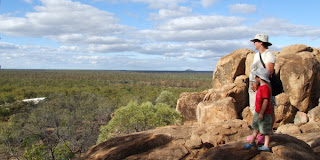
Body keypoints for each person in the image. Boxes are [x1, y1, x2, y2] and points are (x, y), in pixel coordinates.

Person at [248, 33, 276, 132]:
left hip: (263, 85)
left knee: (267, 108)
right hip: (255, 84)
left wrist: (258, 82)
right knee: (256, 108)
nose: (254, 43)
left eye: (255, 41)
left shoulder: (269, 55)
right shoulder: (257, 55)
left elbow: (269, 71)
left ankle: (266, 132)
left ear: (261, 42)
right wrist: (253, 82)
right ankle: (260, 132)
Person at [243, 68, 272, 151]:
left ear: (260, 77)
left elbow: (265, 101)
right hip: (258, 111)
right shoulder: (261, 87)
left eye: (256, 76)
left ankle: (266, 145)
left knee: (265, 130)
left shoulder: (265, 88)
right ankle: (252, 142)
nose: (255, 77)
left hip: (264, 113)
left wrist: (262, 113)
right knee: (255, 127)